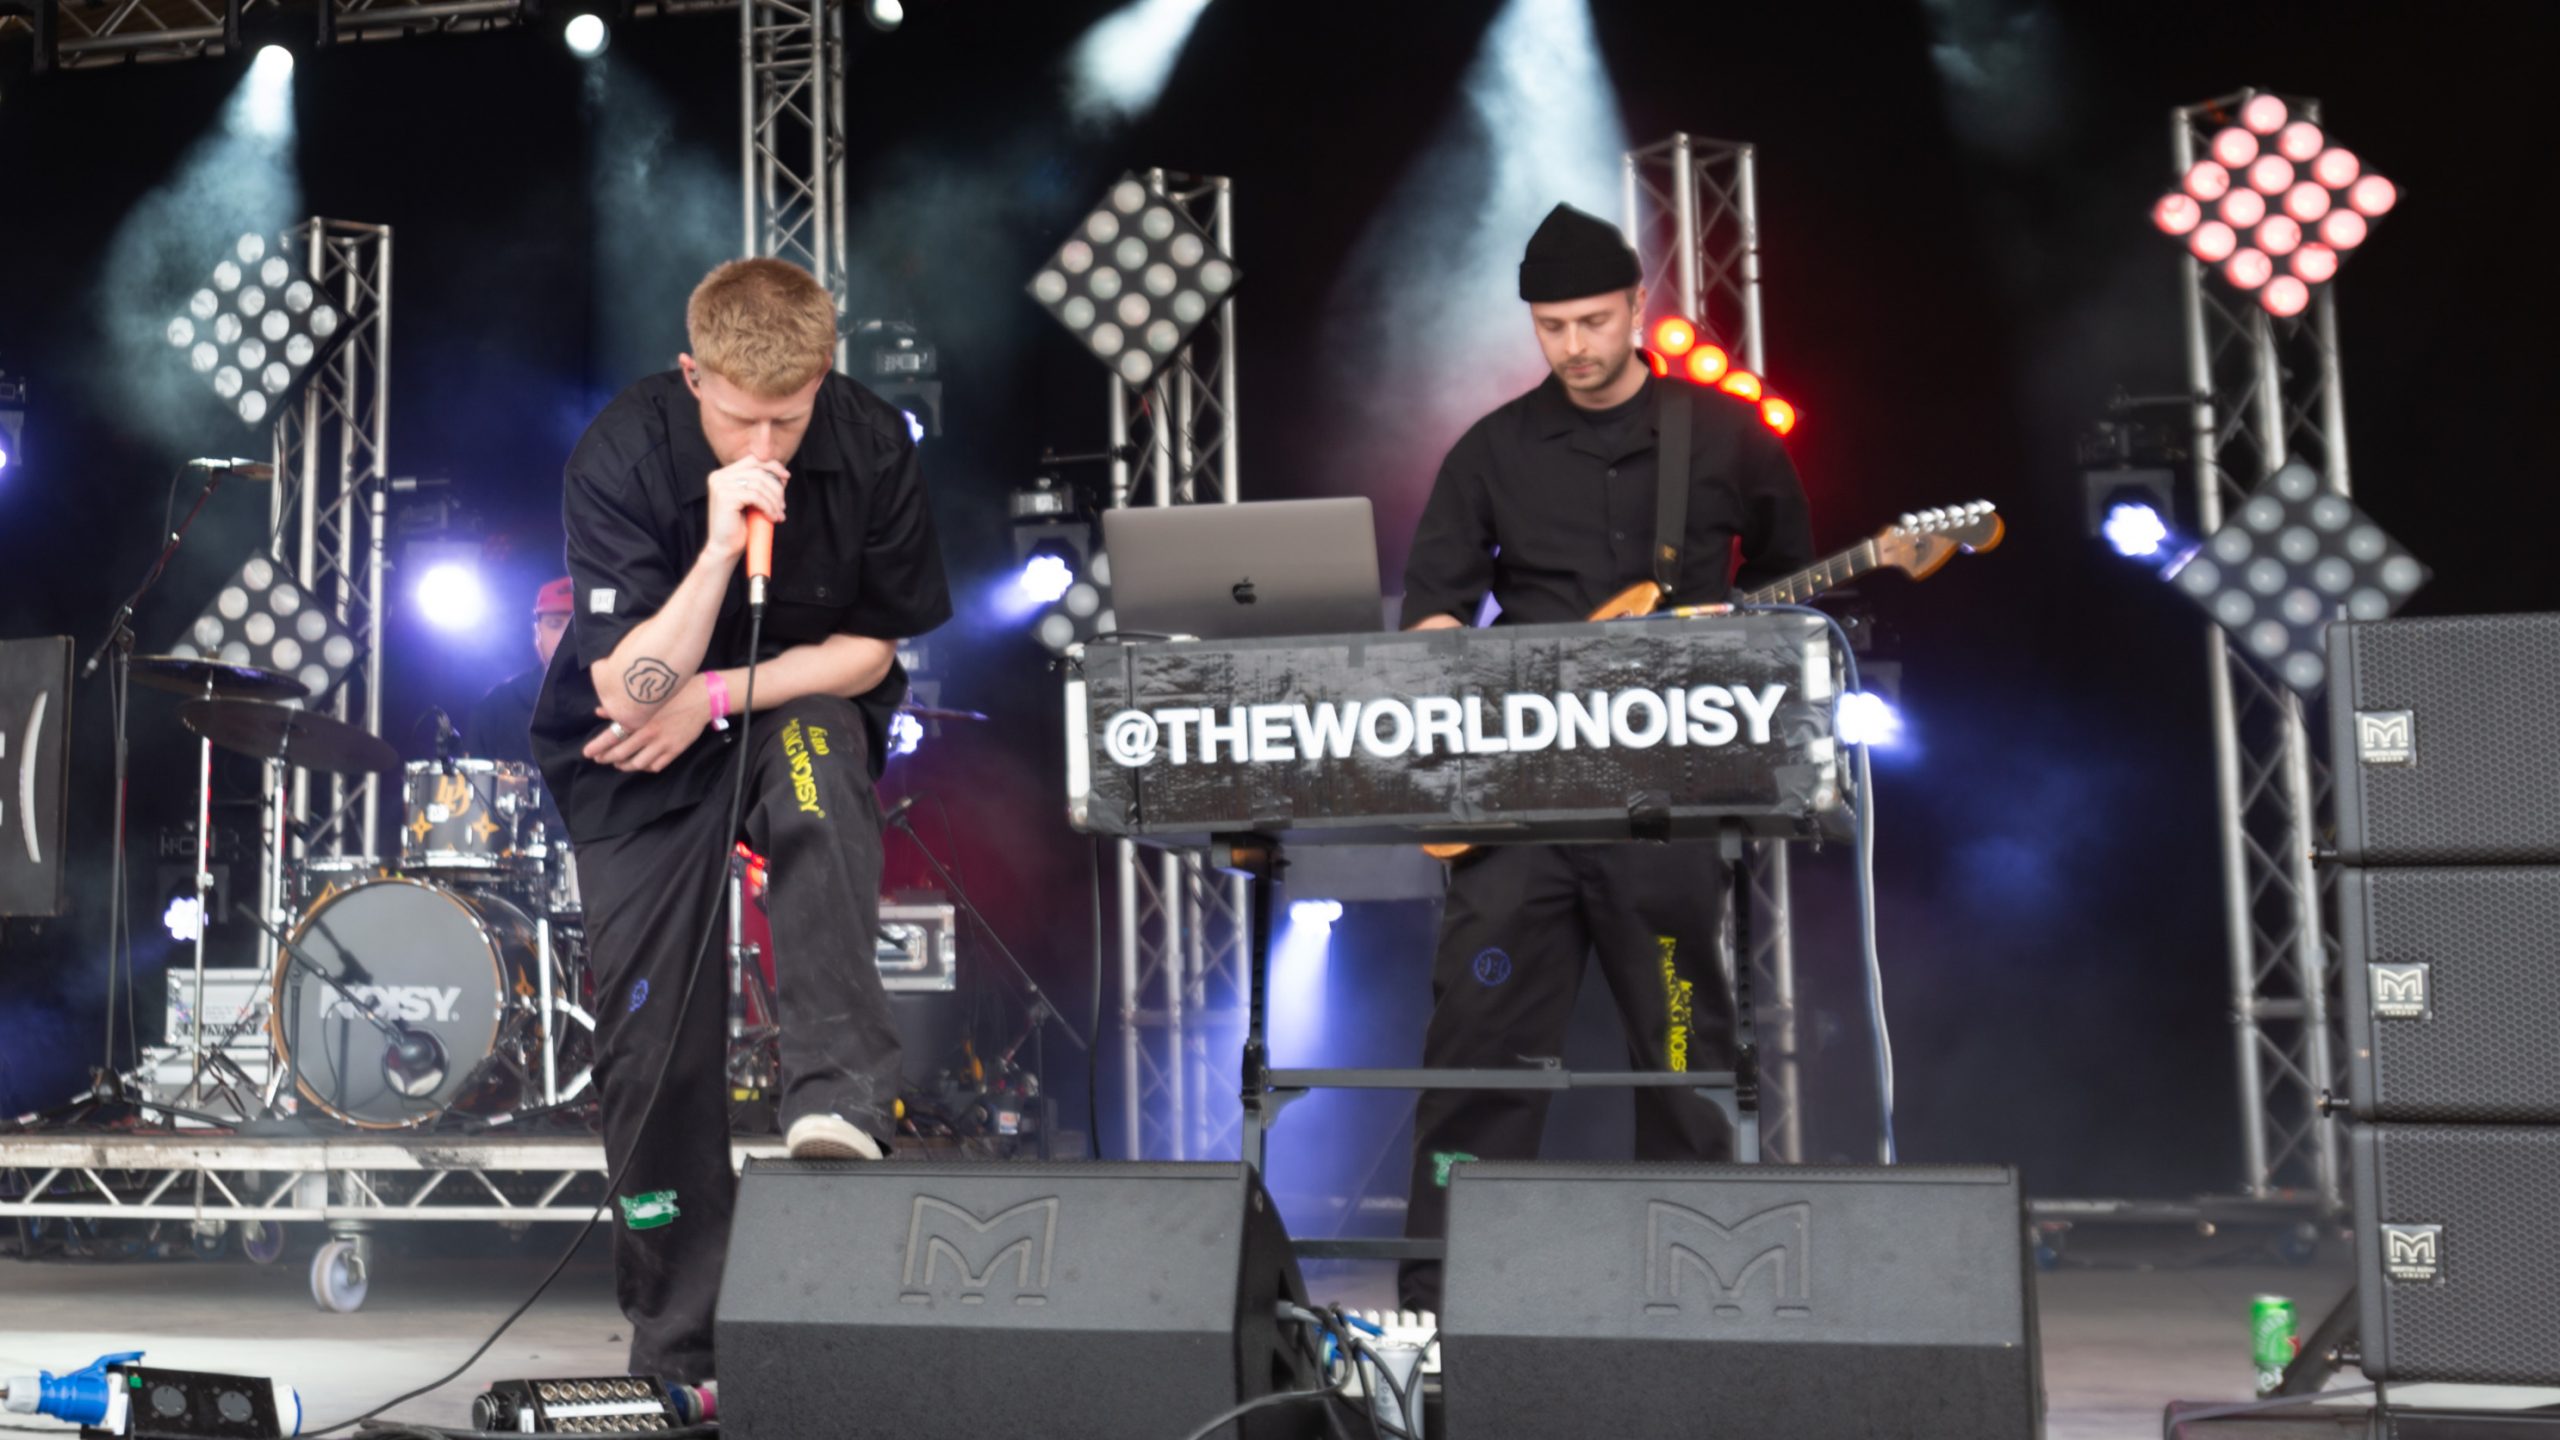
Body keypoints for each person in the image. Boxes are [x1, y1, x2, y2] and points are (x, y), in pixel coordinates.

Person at [530, 257, 951, 1386]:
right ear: (692, 375)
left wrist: (718, 694)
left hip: (770, 705)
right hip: (635, 749)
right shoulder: (621, 453)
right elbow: (631, 693)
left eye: (790, 419)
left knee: (821, 764)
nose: (765, 446)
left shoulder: (871, 444)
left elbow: (870, 650)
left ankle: (838, 1095)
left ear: (826, 380)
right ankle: (682, 1347)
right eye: (739, 418)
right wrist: (720, 545)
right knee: (651, 1040)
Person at [1394, 203, 1814, 1312]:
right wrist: (1459, 671)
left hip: (1665, 797)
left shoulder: (1723, 436)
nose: (1574, 346)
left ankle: (1700, 1296)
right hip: (1521, 805)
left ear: (1637, 307)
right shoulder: (1491, 449)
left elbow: (1792, 593)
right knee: (1476, 1051)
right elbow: (1433, 610)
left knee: (1682, 1055)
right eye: (1551, 327)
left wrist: (1740, 642)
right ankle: (1442, 1309)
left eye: (1592, 321)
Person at [464, 576, 572, 765]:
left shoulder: (625, 705)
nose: (568, 636)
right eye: (555, 624)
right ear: (537, 633)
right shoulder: (496, 708)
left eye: (582, 626)